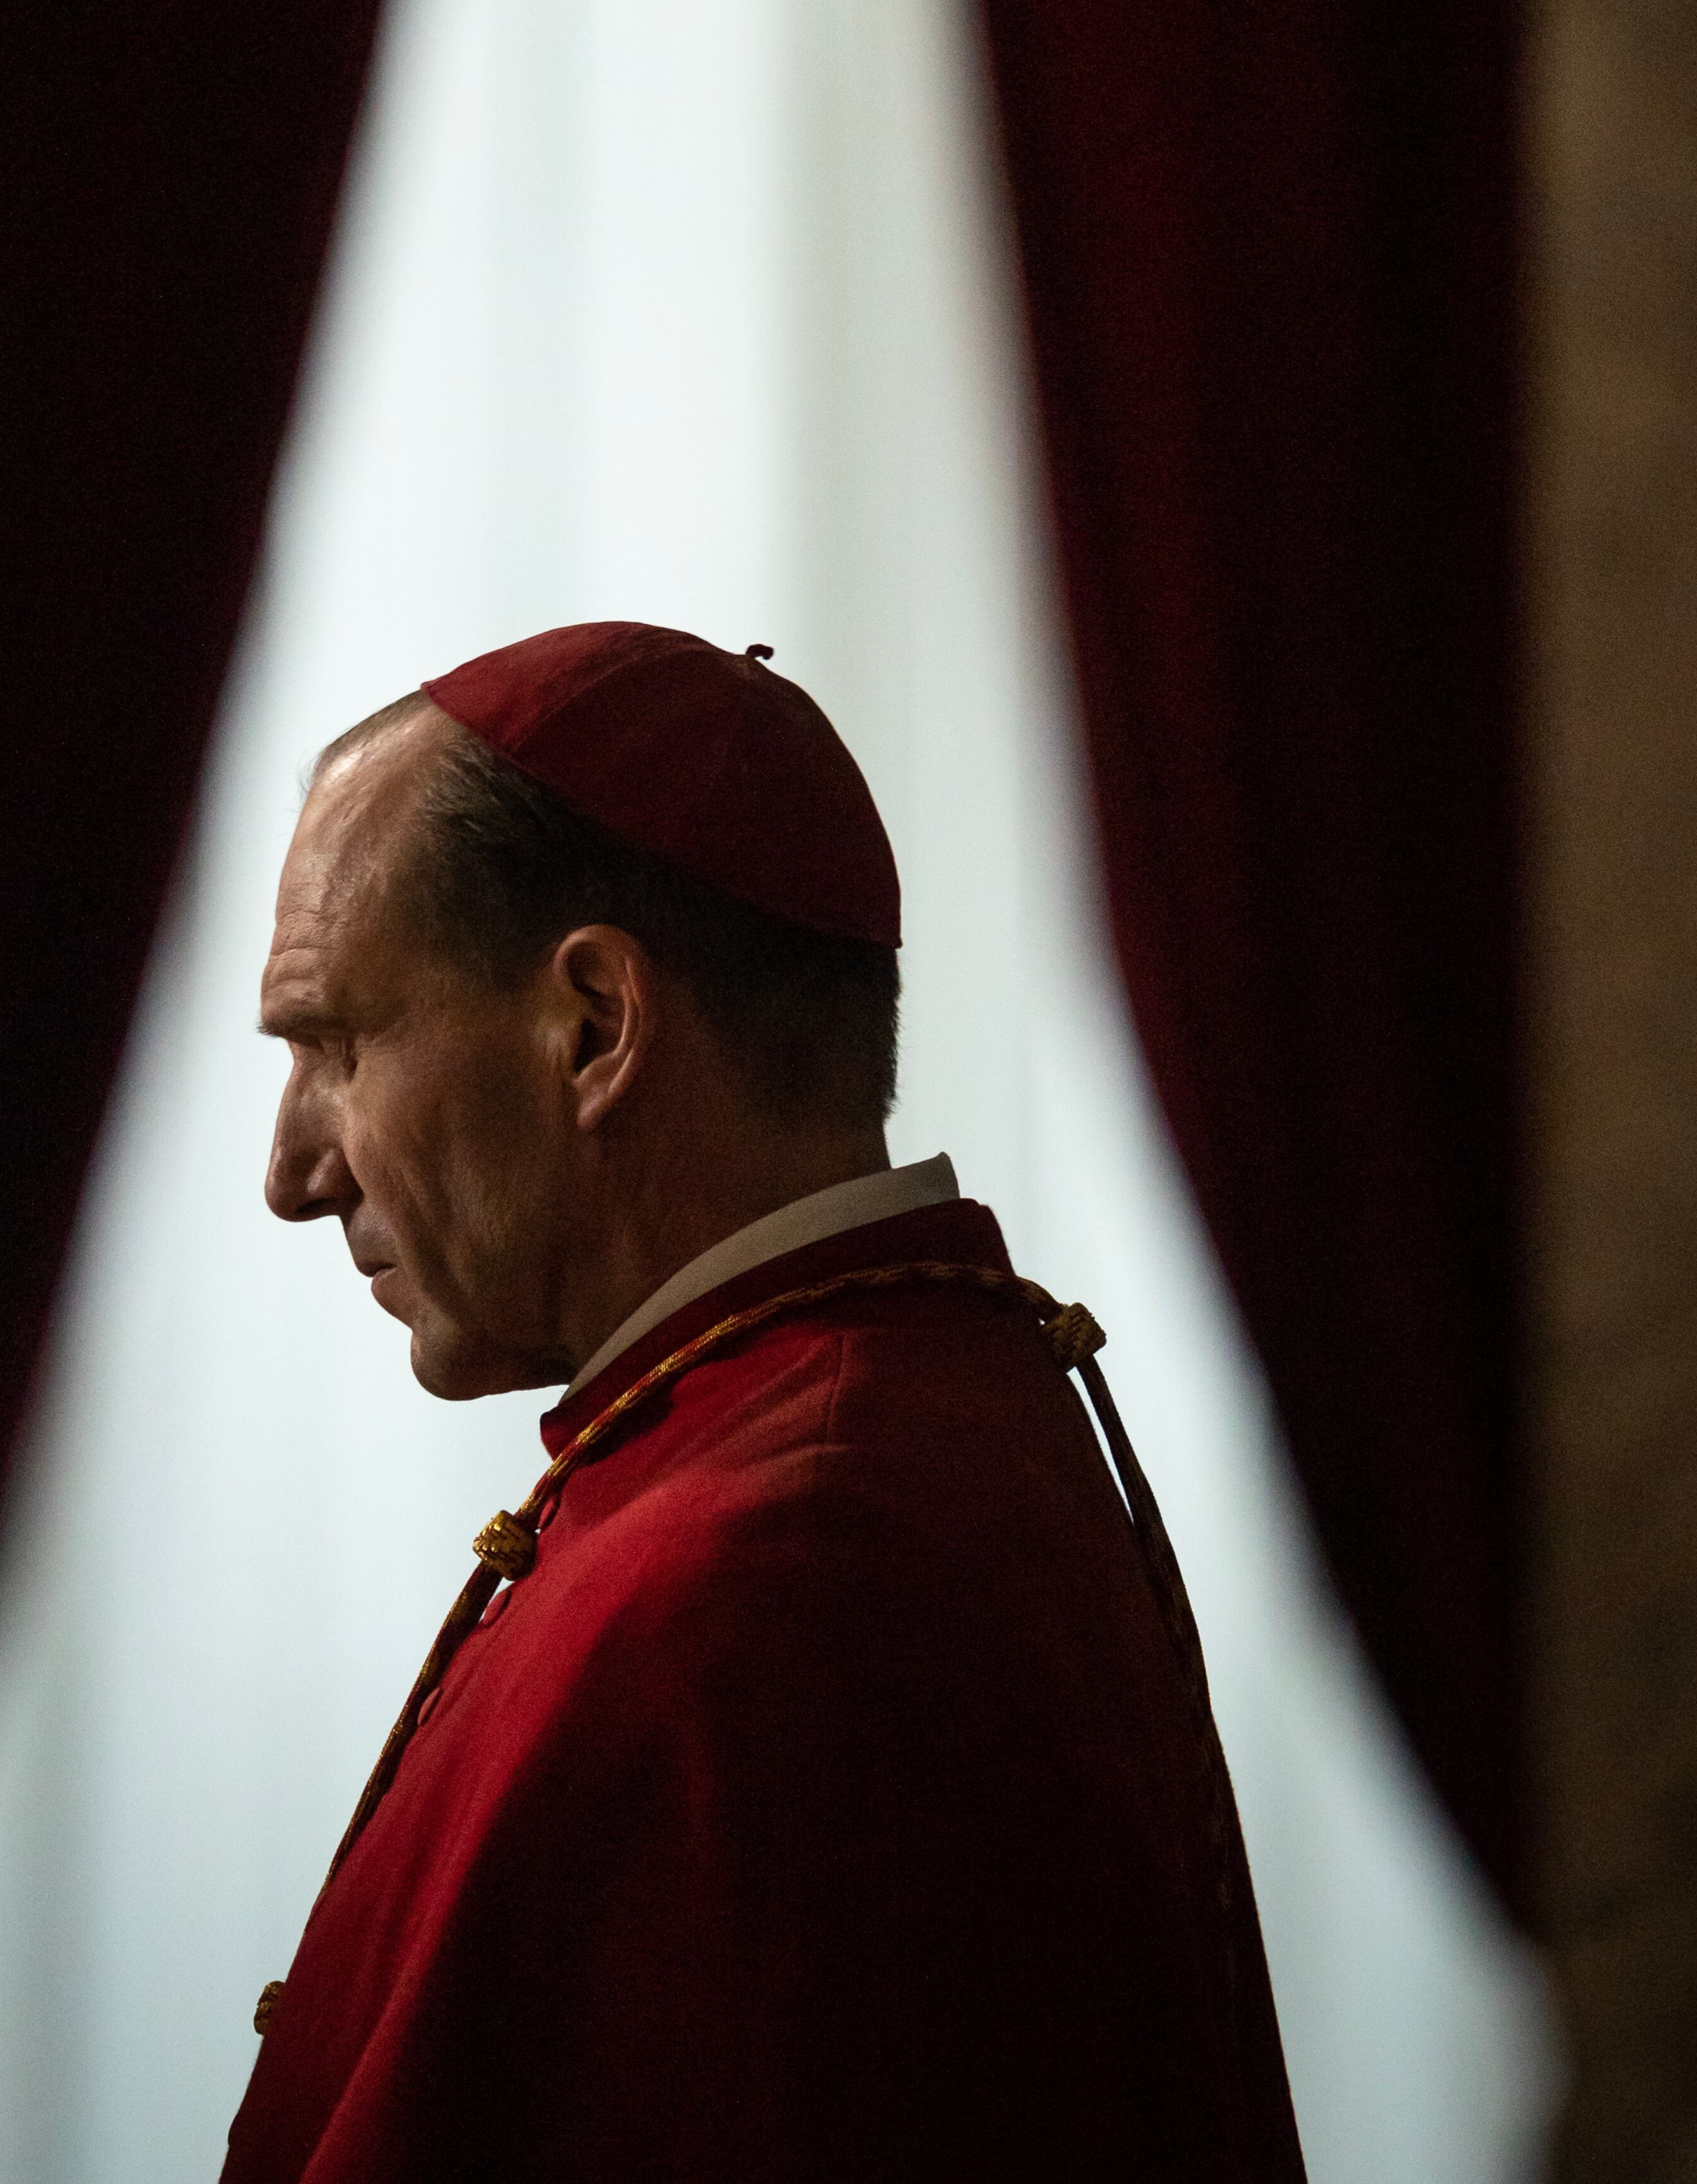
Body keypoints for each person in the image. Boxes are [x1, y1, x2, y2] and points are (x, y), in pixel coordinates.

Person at [222, 620, 1305, 2184]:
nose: (291, 1170)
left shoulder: (781, 1568)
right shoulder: (886, 1413)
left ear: (594, 1024)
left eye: (334, 1043)